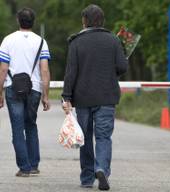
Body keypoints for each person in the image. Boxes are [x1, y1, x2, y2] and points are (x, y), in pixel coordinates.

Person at [62, 4, 128, 191]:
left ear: (84, 21)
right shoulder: (113, 40)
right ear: (102, 20)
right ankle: (102, 169)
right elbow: (122, 67)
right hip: (107, 97)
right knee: (104, 136)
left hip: (82, 98)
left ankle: (86, 178)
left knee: (84, 137)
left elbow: (71, 72)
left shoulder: (76, 42)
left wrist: (66, 96)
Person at [0, 7, 51, 177]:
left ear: (18, 20)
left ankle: (24, 168)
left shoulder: (8, 40)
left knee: (17, 128)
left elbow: (3, 69)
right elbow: (44, 70)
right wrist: (46, 95)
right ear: (33, 22)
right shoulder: (41, 42)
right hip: (34, 88)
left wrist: (0, 93)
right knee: (31, 125)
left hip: (13, 88)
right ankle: (34, 164)